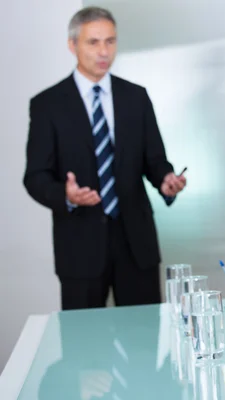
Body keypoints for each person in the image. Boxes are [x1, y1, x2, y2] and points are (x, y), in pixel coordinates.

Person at [23, 7, 186, 310]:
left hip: (136, 244)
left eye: (110, 41)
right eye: (93, 42)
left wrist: (166, 179)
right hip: (79, 247)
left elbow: (155, 160)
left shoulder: (136, 97)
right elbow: (35, 176)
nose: (103, 51)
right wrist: (65, 194)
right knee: (82, 348)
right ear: (73, 45)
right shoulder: (48, 105)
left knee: (144, 343)